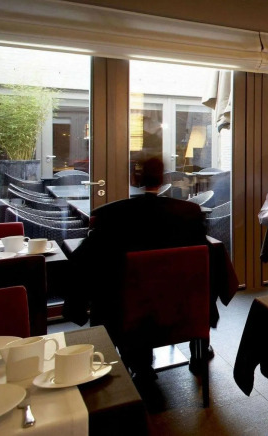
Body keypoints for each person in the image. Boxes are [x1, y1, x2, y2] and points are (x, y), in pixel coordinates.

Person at [64, 156, 237, 378]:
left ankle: (137, 362)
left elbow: (83, 260)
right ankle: (199, 350)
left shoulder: (112, 215)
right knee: (201, 279)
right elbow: (206, 259)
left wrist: (76, 305)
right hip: (181, 308)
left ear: (134, 178)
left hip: (127, 313)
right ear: (163, 179)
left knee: (108, 283)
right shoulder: (188, 214)